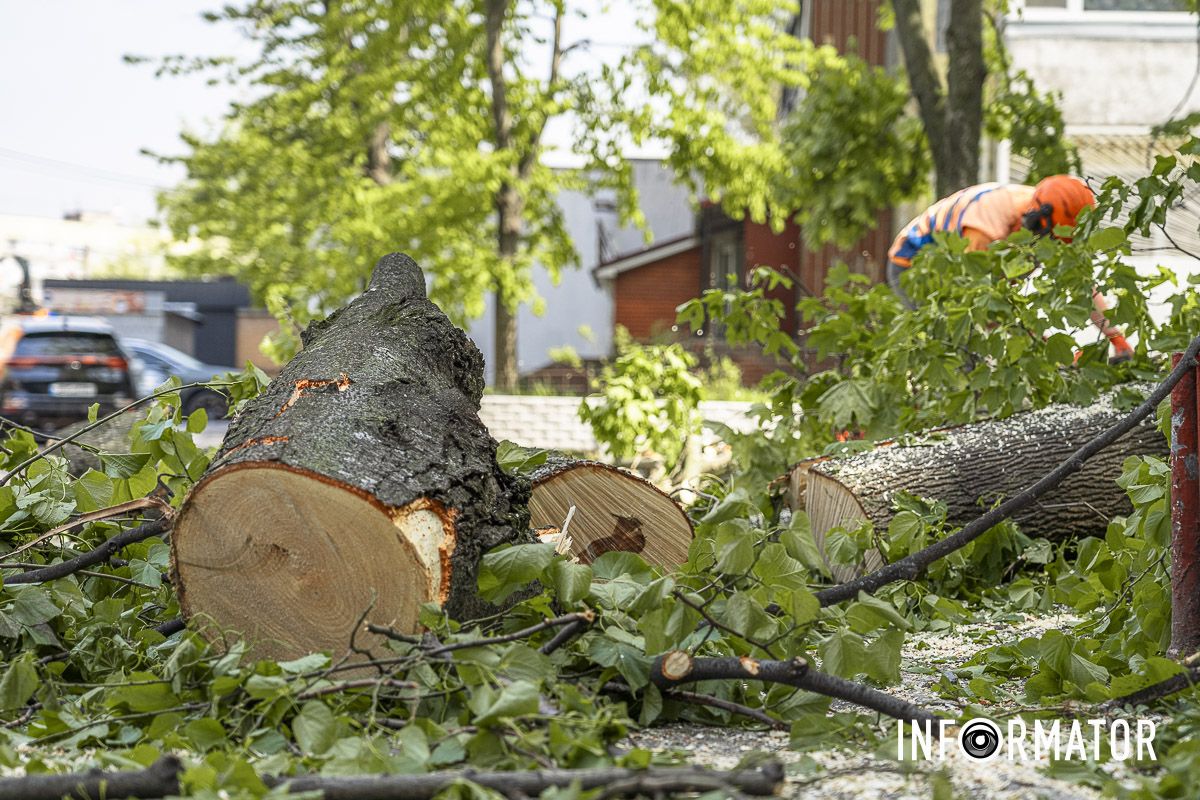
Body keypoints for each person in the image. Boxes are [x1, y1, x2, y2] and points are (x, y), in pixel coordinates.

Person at [886, 175, 1133, 362]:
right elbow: (980, 300)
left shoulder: (1045, 213)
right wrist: (1043, 346)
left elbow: (1079, 283)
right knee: (959, 346)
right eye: (1054, 238)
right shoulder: (986, 225)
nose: (1056, 245)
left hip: (984, 259)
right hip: (914, 265)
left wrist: (1116, 338)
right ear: (1037, 220)